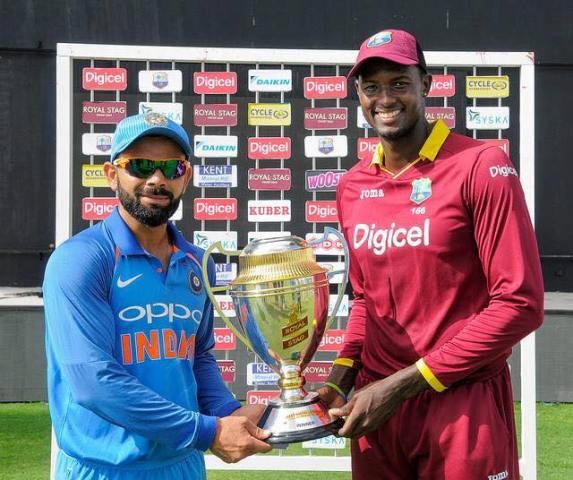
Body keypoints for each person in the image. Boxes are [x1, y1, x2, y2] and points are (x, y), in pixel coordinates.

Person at [319, 29, 544, 479]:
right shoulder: (352, 185)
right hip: (379, 412)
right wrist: (339, 378)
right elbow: (366, 301)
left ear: (426, 84)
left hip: (460, 403)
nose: (385, 98)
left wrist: (403, 385)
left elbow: (520, 303)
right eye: (371, 86)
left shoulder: (481, 165)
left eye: (399, 83)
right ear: (358, 94)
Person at [43, 112, 271, 480]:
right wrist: (208, 432)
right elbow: (93, 382)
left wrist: (227, 411)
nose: (157, 180)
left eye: (171, 168)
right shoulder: (81, 259)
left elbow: (197, 355)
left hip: (183, 464)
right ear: (112, 174)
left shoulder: (198, 263)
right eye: (141, 166)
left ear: (186, 177)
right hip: (105, 469)